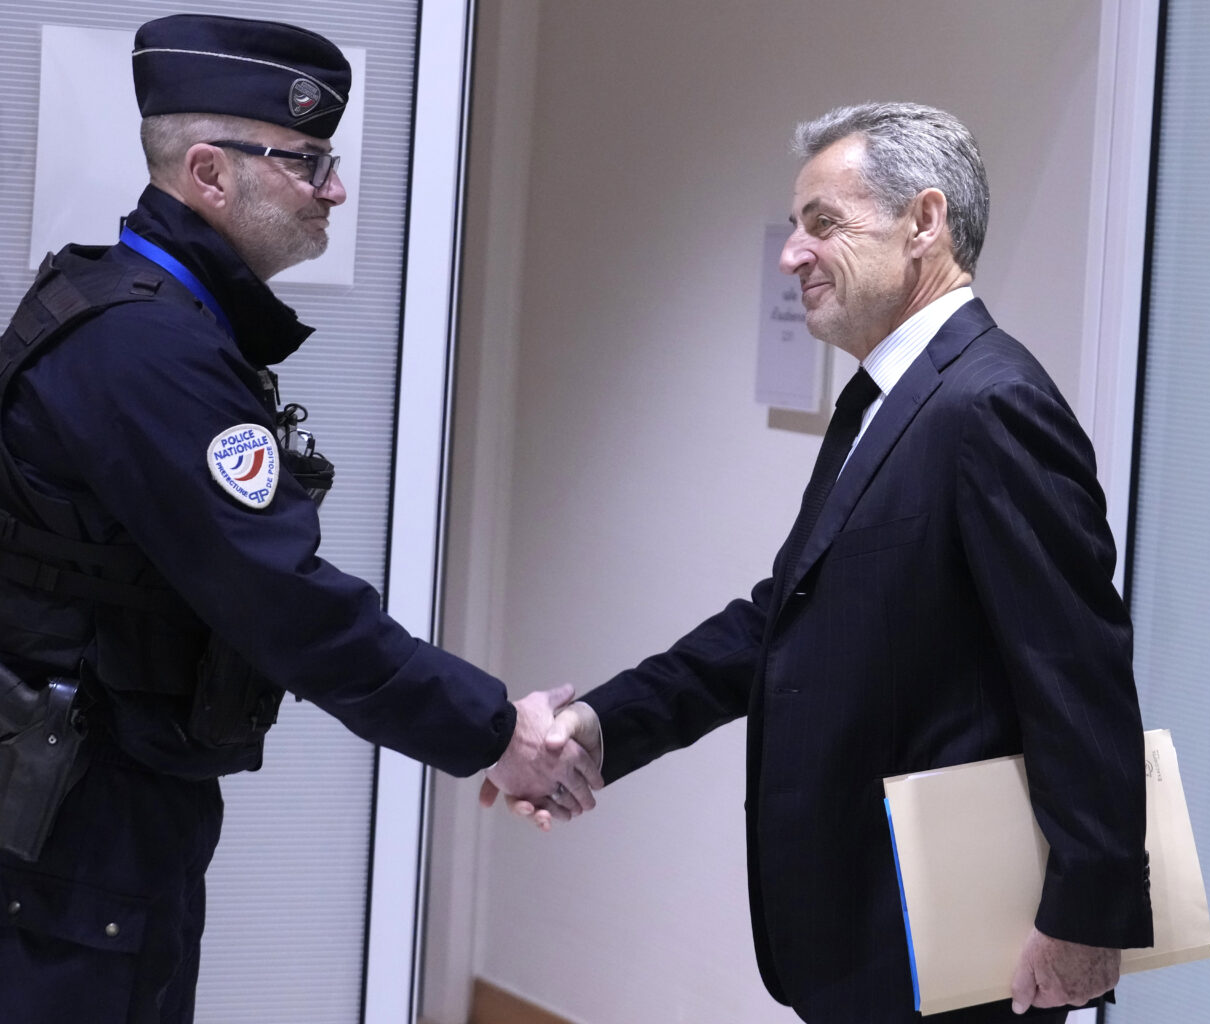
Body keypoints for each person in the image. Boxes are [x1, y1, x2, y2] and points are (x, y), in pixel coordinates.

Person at [0, 14, 599, 1024]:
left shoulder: (122, 307)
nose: (333, 190)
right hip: (89, 820)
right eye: (308, 161)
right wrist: (497, 730)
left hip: (91, 802)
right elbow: (288, 605)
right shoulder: (149, 351)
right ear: (208, 171)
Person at [485, 103, 1153, 1023]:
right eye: (796, 226)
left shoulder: (989, 405)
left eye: (823, 224)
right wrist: (605, 727)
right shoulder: (892, 396)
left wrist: (1089, 913)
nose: (791, 254)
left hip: (952, 943)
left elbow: (1078, 673)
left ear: (924, 223)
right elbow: (784, 616)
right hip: (871, 937)